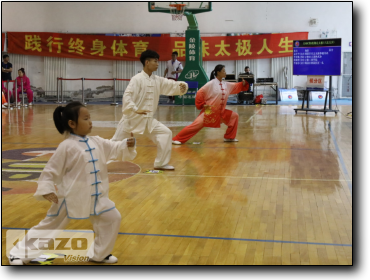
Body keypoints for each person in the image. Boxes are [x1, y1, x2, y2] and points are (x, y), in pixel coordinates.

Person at [9, 101, 137, 265]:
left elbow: (113, 146)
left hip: (97, 198)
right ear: (72, 123)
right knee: (50, 227)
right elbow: (50, 170)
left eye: (90, 118)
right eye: (85, 118)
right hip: (70, 199)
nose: (90, 122)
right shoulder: (66, 146)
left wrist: (126, 143)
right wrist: (47, 189)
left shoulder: (96, 141)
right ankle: (18, 253)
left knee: (112, 218)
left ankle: (99, 254)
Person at [111, 50, 188, 171]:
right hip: (131, 120)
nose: (157, 64)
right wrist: (135, 109)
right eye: (155, 61)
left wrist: (181, 86)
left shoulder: (157, 80)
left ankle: (161, 163)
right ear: (147, 62)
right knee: (114, 143)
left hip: (147, 120)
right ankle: (97, 163)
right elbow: (127, 96)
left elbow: (170, 85)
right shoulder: (136, 79)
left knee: (165, 133)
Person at [172, 64, 249, 144]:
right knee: (195, 125)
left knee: (234, 116)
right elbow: (200, 92)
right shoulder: (211, 84)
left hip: (221, 113)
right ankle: (177, 139)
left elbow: (236, 86)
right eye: (224, 71)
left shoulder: (226, 84)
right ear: (218, 72)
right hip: (209, 111)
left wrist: (242, 84)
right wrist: (202, 104)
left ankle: (229, 137)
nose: (225, 73)